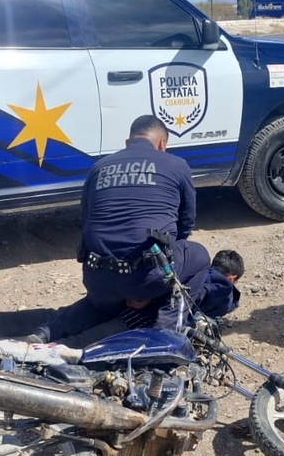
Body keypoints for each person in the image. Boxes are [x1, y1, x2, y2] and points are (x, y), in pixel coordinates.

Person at [28, 114, 210, 343]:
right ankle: (164, 337)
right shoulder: (177, 164)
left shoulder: (99, 167)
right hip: (147, 277)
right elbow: (186, 223)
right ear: (162, 144)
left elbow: (87, 219)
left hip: (98, 278)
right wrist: (154, 280)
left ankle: (45, 333)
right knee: (199, 255)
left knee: (98, 305)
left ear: (128, 142)